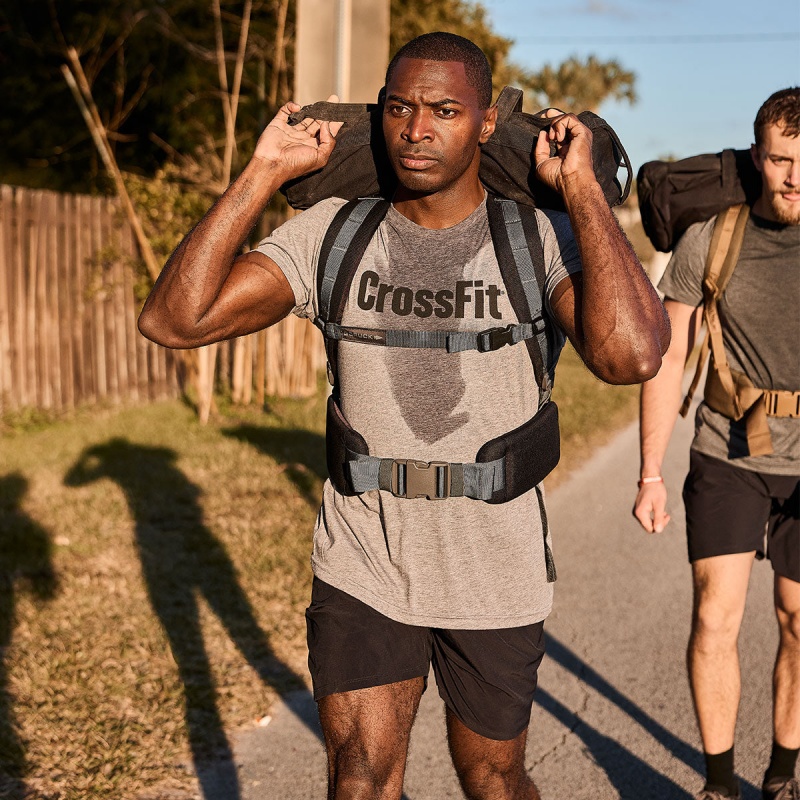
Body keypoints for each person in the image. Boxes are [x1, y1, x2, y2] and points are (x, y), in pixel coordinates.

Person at [140, 32, 669, 800]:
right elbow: (173, 320)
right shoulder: (334, 235)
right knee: (358, 779)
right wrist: (262, 172)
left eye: (445, 110)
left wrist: (582, 190)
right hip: (365, 553)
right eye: (400, 108)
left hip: (495, 564)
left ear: (485, 124)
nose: (417, 130)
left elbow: (631, 358)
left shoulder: (535, 238)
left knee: (492, 777)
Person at [633, 87, 800, 800]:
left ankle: (785, 772)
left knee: (798, 620)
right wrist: (648, 472)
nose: (795, 178)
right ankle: (720, 783)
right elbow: (667, 356)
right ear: (756, 157)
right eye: (781, 160)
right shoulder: (715, 235)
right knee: (714, 615)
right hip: (725, 449)